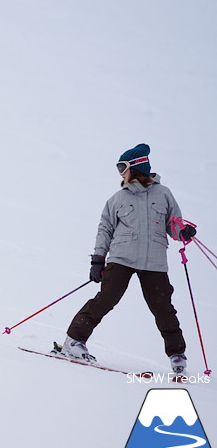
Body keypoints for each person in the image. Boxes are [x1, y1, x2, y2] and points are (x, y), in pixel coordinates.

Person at [61, 143, 196, 373]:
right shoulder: (117, 199)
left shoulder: (163, 194)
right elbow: (105, 229)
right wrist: (98, 259)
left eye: (122, 167)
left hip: (154, 261)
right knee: (106, 299)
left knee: (163, 307)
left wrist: (183, 232)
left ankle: (177, 355)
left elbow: (174, 225)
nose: (120, 173)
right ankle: (74, 341)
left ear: (136, 167)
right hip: (121, 258)